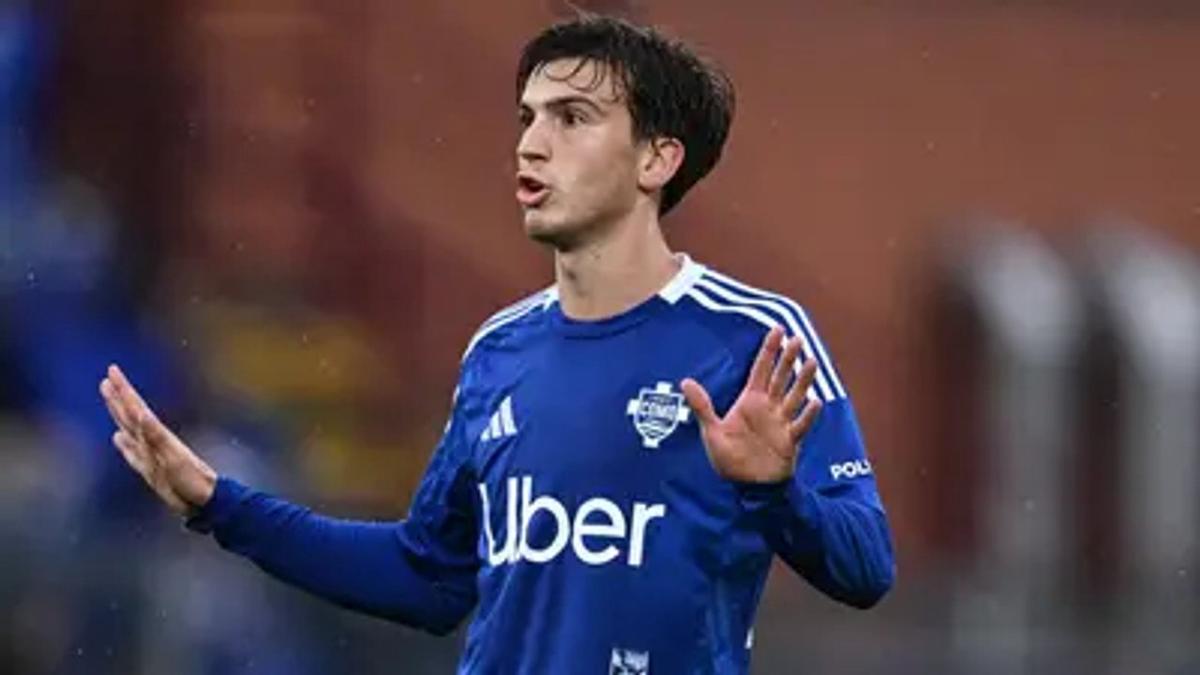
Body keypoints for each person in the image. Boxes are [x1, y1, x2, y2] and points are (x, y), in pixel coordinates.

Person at [99, 15, 894, 674]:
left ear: (657, 158)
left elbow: (867, 567)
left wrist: (773, 492)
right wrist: (220, 504)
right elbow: (427, 575)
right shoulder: (498, 350)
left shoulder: (752, 336)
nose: (531, 144)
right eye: (527, 117)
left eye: (571, 118)